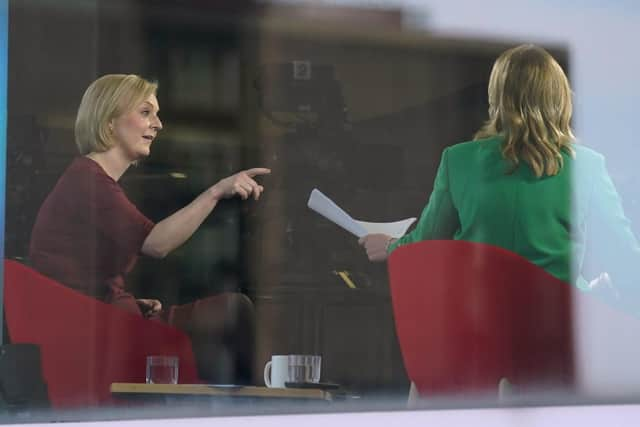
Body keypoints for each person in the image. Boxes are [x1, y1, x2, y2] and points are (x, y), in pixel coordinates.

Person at [359, 44, 640, 310]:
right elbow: (625, 265)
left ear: (497, 97)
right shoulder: (588, 167)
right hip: (557, 333)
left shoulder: (457, 160)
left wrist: (391, 246)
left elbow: (427, 241)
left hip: (477, 330)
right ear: (561, 98)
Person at [29, 74, 271, 383]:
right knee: (235, 311)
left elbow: (80, 277)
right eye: (146, 113)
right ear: (109, 122)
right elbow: (156, 243)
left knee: (230, 312)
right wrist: (216, 191)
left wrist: (128, 302)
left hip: (106, 322)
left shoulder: (89, 179)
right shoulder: (88, 181)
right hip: (100, 333)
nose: (158, 124)